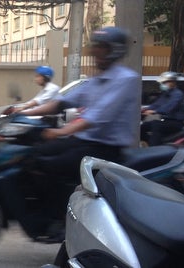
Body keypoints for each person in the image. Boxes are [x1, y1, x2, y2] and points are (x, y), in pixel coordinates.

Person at [19, 26, 140, 242]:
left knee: (51, 165)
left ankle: (62, 221)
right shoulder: (95, 80)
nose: (96, 52)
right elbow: (64, 102)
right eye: (96, 47)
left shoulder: (125, 79)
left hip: (105, 150)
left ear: (115, 50)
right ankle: (39, 212)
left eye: (102, 48)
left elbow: (97, 116)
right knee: (33, 155)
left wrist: (60, 132)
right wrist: (23, 111)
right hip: (83, 142)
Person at [140, 72, 184, 146]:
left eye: (164, 82)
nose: (163, 84)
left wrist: (155, 111)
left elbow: (170, 106)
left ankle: (154, 149)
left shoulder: (178, 94)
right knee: (142, 127)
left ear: (172, 82)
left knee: (156, 125)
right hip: (165, 121)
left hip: (176, 123)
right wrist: (145, 109)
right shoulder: (165, 94)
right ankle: (150, 144)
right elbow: (157, 104)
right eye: (162, 83)